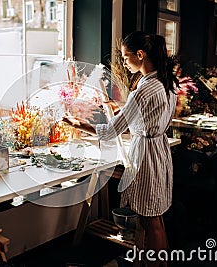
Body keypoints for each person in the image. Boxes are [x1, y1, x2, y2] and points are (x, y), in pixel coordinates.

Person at [64, 31, 178, 267]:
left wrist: (77, 124)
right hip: (159, 151)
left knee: (149, 221)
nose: (124, 64)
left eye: (126, 58)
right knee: (157, 217)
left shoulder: (143, 89)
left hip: (146, 156)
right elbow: (150, 111)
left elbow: (109, 131)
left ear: (140, 54)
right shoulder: (165, 82)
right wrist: (121, 105)